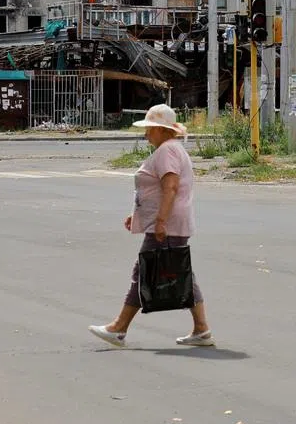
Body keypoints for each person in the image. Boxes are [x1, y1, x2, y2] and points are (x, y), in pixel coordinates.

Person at [89, 104, 214, 348]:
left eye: (149, 129)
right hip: (173, 223)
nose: (146, 134)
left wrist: (160, 221)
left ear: (160, 129)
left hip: (168, 225)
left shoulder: (167, 151)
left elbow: (170, 187)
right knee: (179, 273)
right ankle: (201, 329)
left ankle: (118, 328)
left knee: (144, 273)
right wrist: (137, 214)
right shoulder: (172, 148)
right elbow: (158, 190)